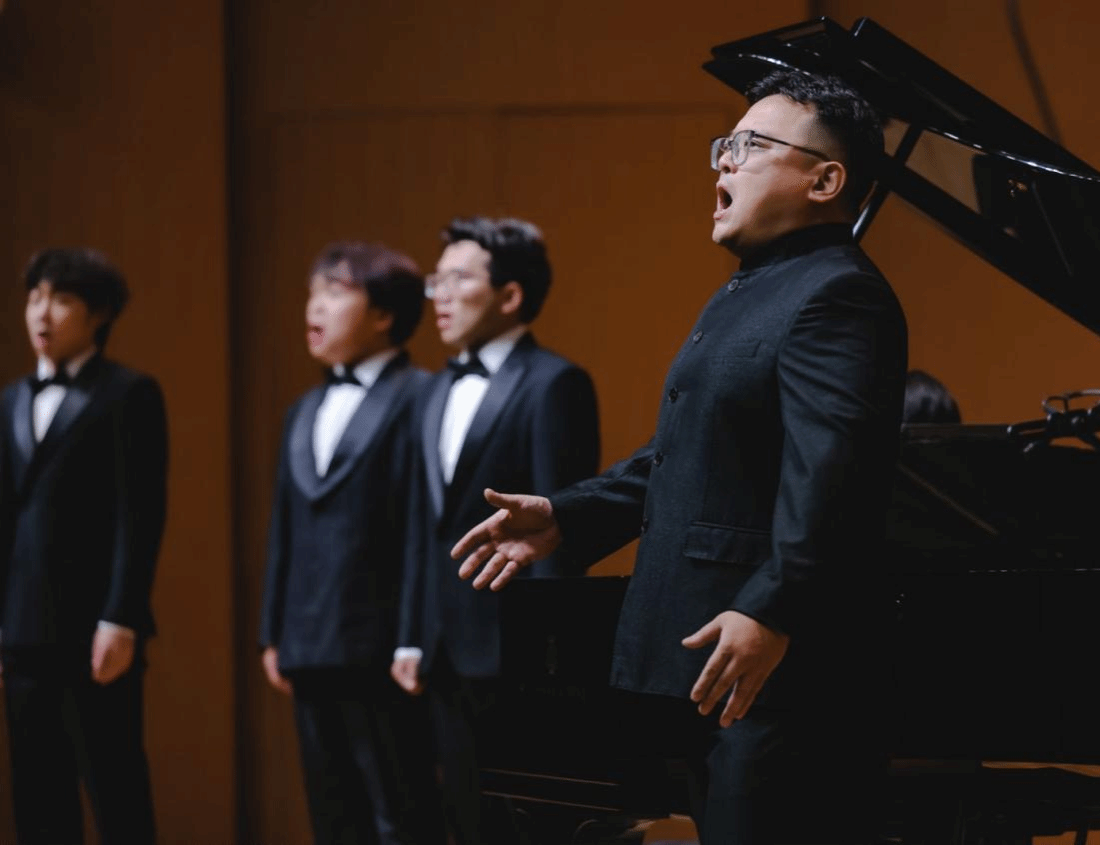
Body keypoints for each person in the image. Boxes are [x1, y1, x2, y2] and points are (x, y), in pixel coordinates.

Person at [452, 70, 909, 845]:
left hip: (772, 669)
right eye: (724, 144)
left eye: (750, 145)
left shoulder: (838, 294)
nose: (723, 161)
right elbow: (686, 455)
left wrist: (770, 607)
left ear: (825, 181)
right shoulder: (756, 287)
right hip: (705, 661)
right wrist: (567, 515)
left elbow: (833, 475)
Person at [392, 216, 600, 845]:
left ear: (510, 295)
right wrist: (410, 636)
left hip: (517, 651)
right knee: (460, 819)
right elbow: (421, 526)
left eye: (459, 279)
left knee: (526, 827)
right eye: (436, 281)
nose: (440, 295)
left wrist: (553, 663)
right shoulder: (430, 390)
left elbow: (559, 527)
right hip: (442, 647)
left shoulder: (555, 382)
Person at [258, 242, 444, 845]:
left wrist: (413, 634)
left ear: (384, 314)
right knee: (331, 813)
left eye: (335, 292)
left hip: (383, 644)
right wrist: (273, 631)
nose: (314, 306)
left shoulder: (423, 396)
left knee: (400, 813)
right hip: (308, 641)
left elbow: (422, 529)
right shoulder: (303, 408)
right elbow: (285, 526)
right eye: (313, 292)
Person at [0, 247, 167, 845]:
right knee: (37, 795)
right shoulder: (10, 400)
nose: (41, 314)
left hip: (95, 629)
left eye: (62, 299)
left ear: (99, 314)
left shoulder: (129, 393)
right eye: (34, 298)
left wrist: (121, 617)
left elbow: (138, 514)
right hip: (22, 631)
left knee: (116, 789)